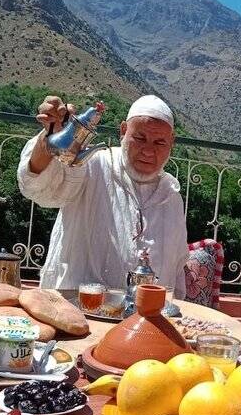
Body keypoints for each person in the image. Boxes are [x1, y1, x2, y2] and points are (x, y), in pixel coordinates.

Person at [17, 94, 188, 296]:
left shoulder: (171, 194)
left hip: (144, 321)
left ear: (172, 142)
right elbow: (39, 188)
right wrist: (49, 141)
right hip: (78, 312)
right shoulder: (93, 165)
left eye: (160, 143)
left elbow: (175, 270)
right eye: (140, 138)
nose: (149, 151)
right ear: (123, 131)